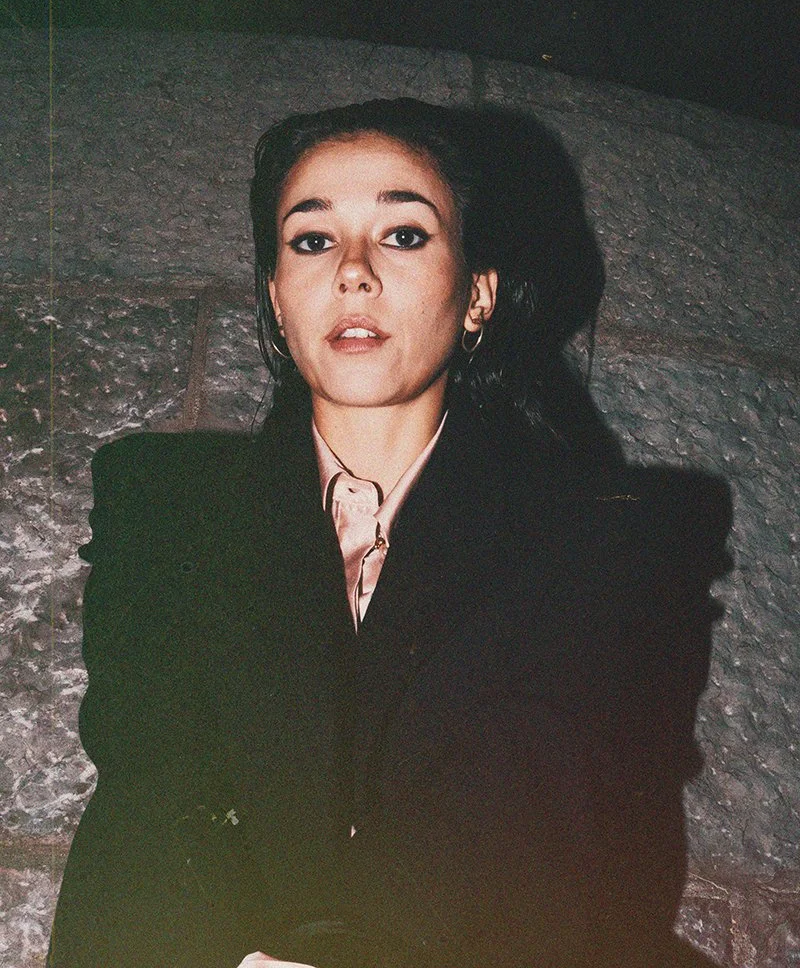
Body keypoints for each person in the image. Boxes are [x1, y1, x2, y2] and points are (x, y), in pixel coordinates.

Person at [49, 99, 732, 968]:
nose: (354, 272)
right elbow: (152, 810)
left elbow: (555, 838)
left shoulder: (602, 542)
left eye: (404, 234)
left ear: (477, 295)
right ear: (275, 299)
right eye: (312, 239)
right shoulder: (168, 510)